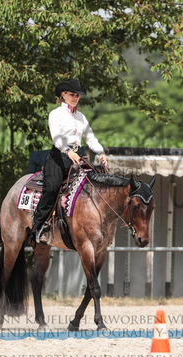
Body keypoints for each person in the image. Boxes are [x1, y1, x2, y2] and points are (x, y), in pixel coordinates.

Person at [29, 78, 108, 244]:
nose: (75, 98)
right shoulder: (55, 114)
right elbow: (56, 138)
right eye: (72, 94)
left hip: (77, 157)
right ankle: (39, 227)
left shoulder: (81, 117)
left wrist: (100, 152)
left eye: (77, 96)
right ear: (63, 94)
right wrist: (67, 151)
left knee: (93, 185)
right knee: (52, 188)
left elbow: (90, 137)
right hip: (58, 157)